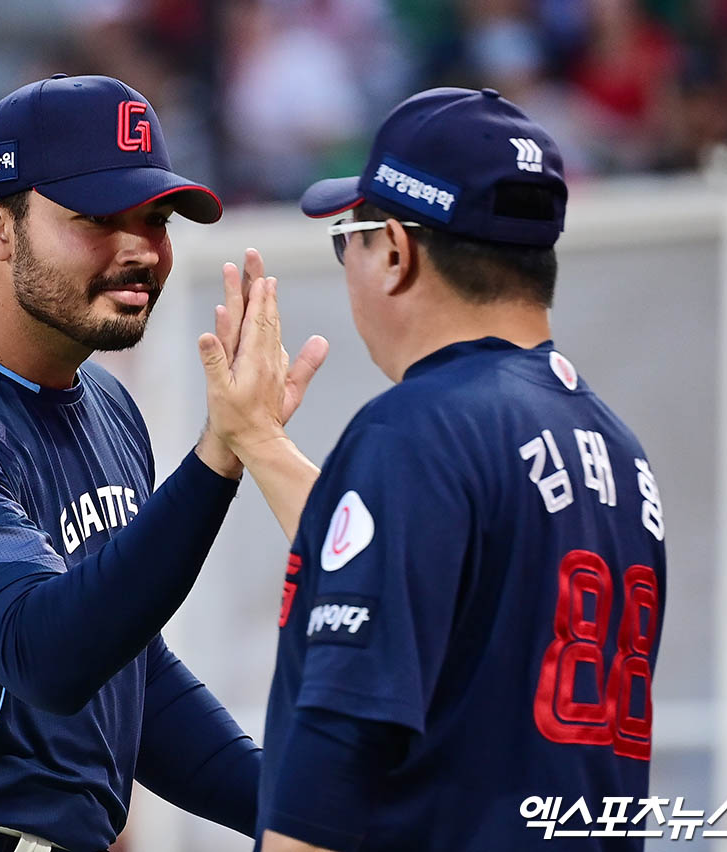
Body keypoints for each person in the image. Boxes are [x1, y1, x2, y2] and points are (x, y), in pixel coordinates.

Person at [0, 74, 327, 852]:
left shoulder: (107, 407)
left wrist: (305, 808)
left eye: (156, 218)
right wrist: (221, 452)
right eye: (100, 218)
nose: (142, 249)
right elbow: (47, 657)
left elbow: (133, 680)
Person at [199, 87, 668, 851]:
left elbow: (334, 771)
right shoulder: (616, 449)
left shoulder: (412, 432)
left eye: (347, 236)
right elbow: (409, 570)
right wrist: (257, 437)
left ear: (395, 250)